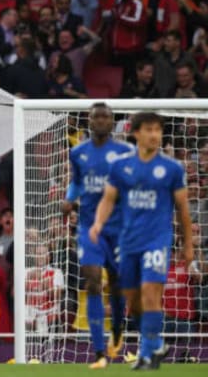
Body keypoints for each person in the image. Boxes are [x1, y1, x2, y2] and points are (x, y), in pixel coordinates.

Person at [90, 112, 195, 370]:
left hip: (157, 240)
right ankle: (156, 343)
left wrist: (188, 244)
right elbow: (108, 199)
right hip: (128, 242)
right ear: (136, 133)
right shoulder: (121, 166)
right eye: (149, 129)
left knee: (150, 293)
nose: (154, 135)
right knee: (133, 299)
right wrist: (98, 223)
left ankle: (147, 354)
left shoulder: (172, 169)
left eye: (158, 130)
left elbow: (182, 209)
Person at [63, 103, 134, 369]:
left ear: (112, 121)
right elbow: (77, 181)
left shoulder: (126, 152)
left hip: (118, 228)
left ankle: (116, 328)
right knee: (92, 281)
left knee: (116, 284)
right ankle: (98, 351)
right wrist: (69, 199)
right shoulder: (78, 152)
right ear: (90, 121)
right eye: (97, 117)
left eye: (106, 117)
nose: (102, 120)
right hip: (89, 227)